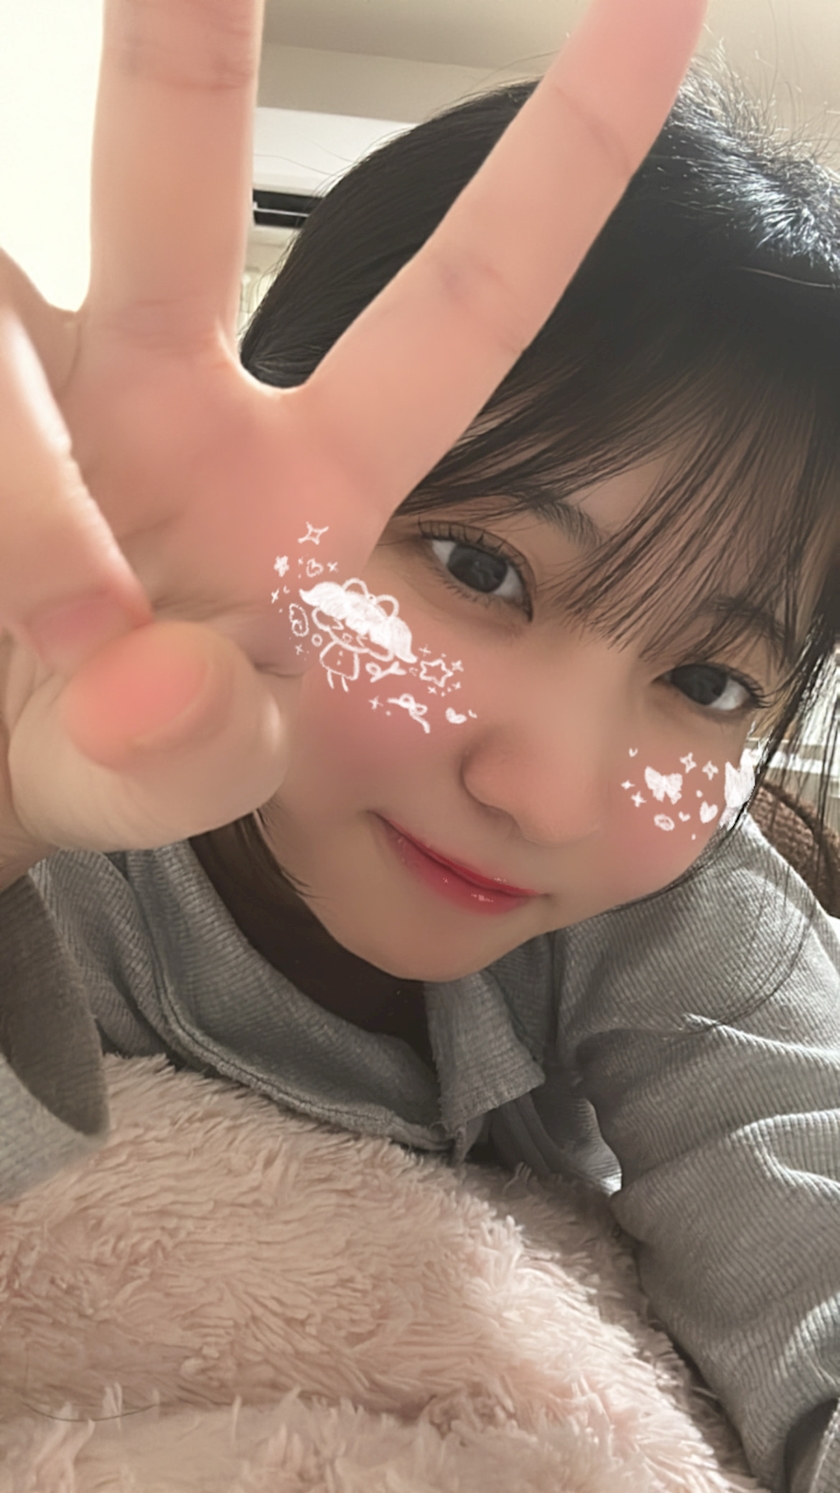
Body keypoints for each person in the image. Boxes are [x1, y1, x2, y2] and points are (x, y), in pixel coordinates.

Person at [0, 0, 837, 1489]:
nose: (552, 793)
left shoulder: (690, 913)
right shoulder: (66, 831)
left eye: (709, 680)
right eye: (478, 568)